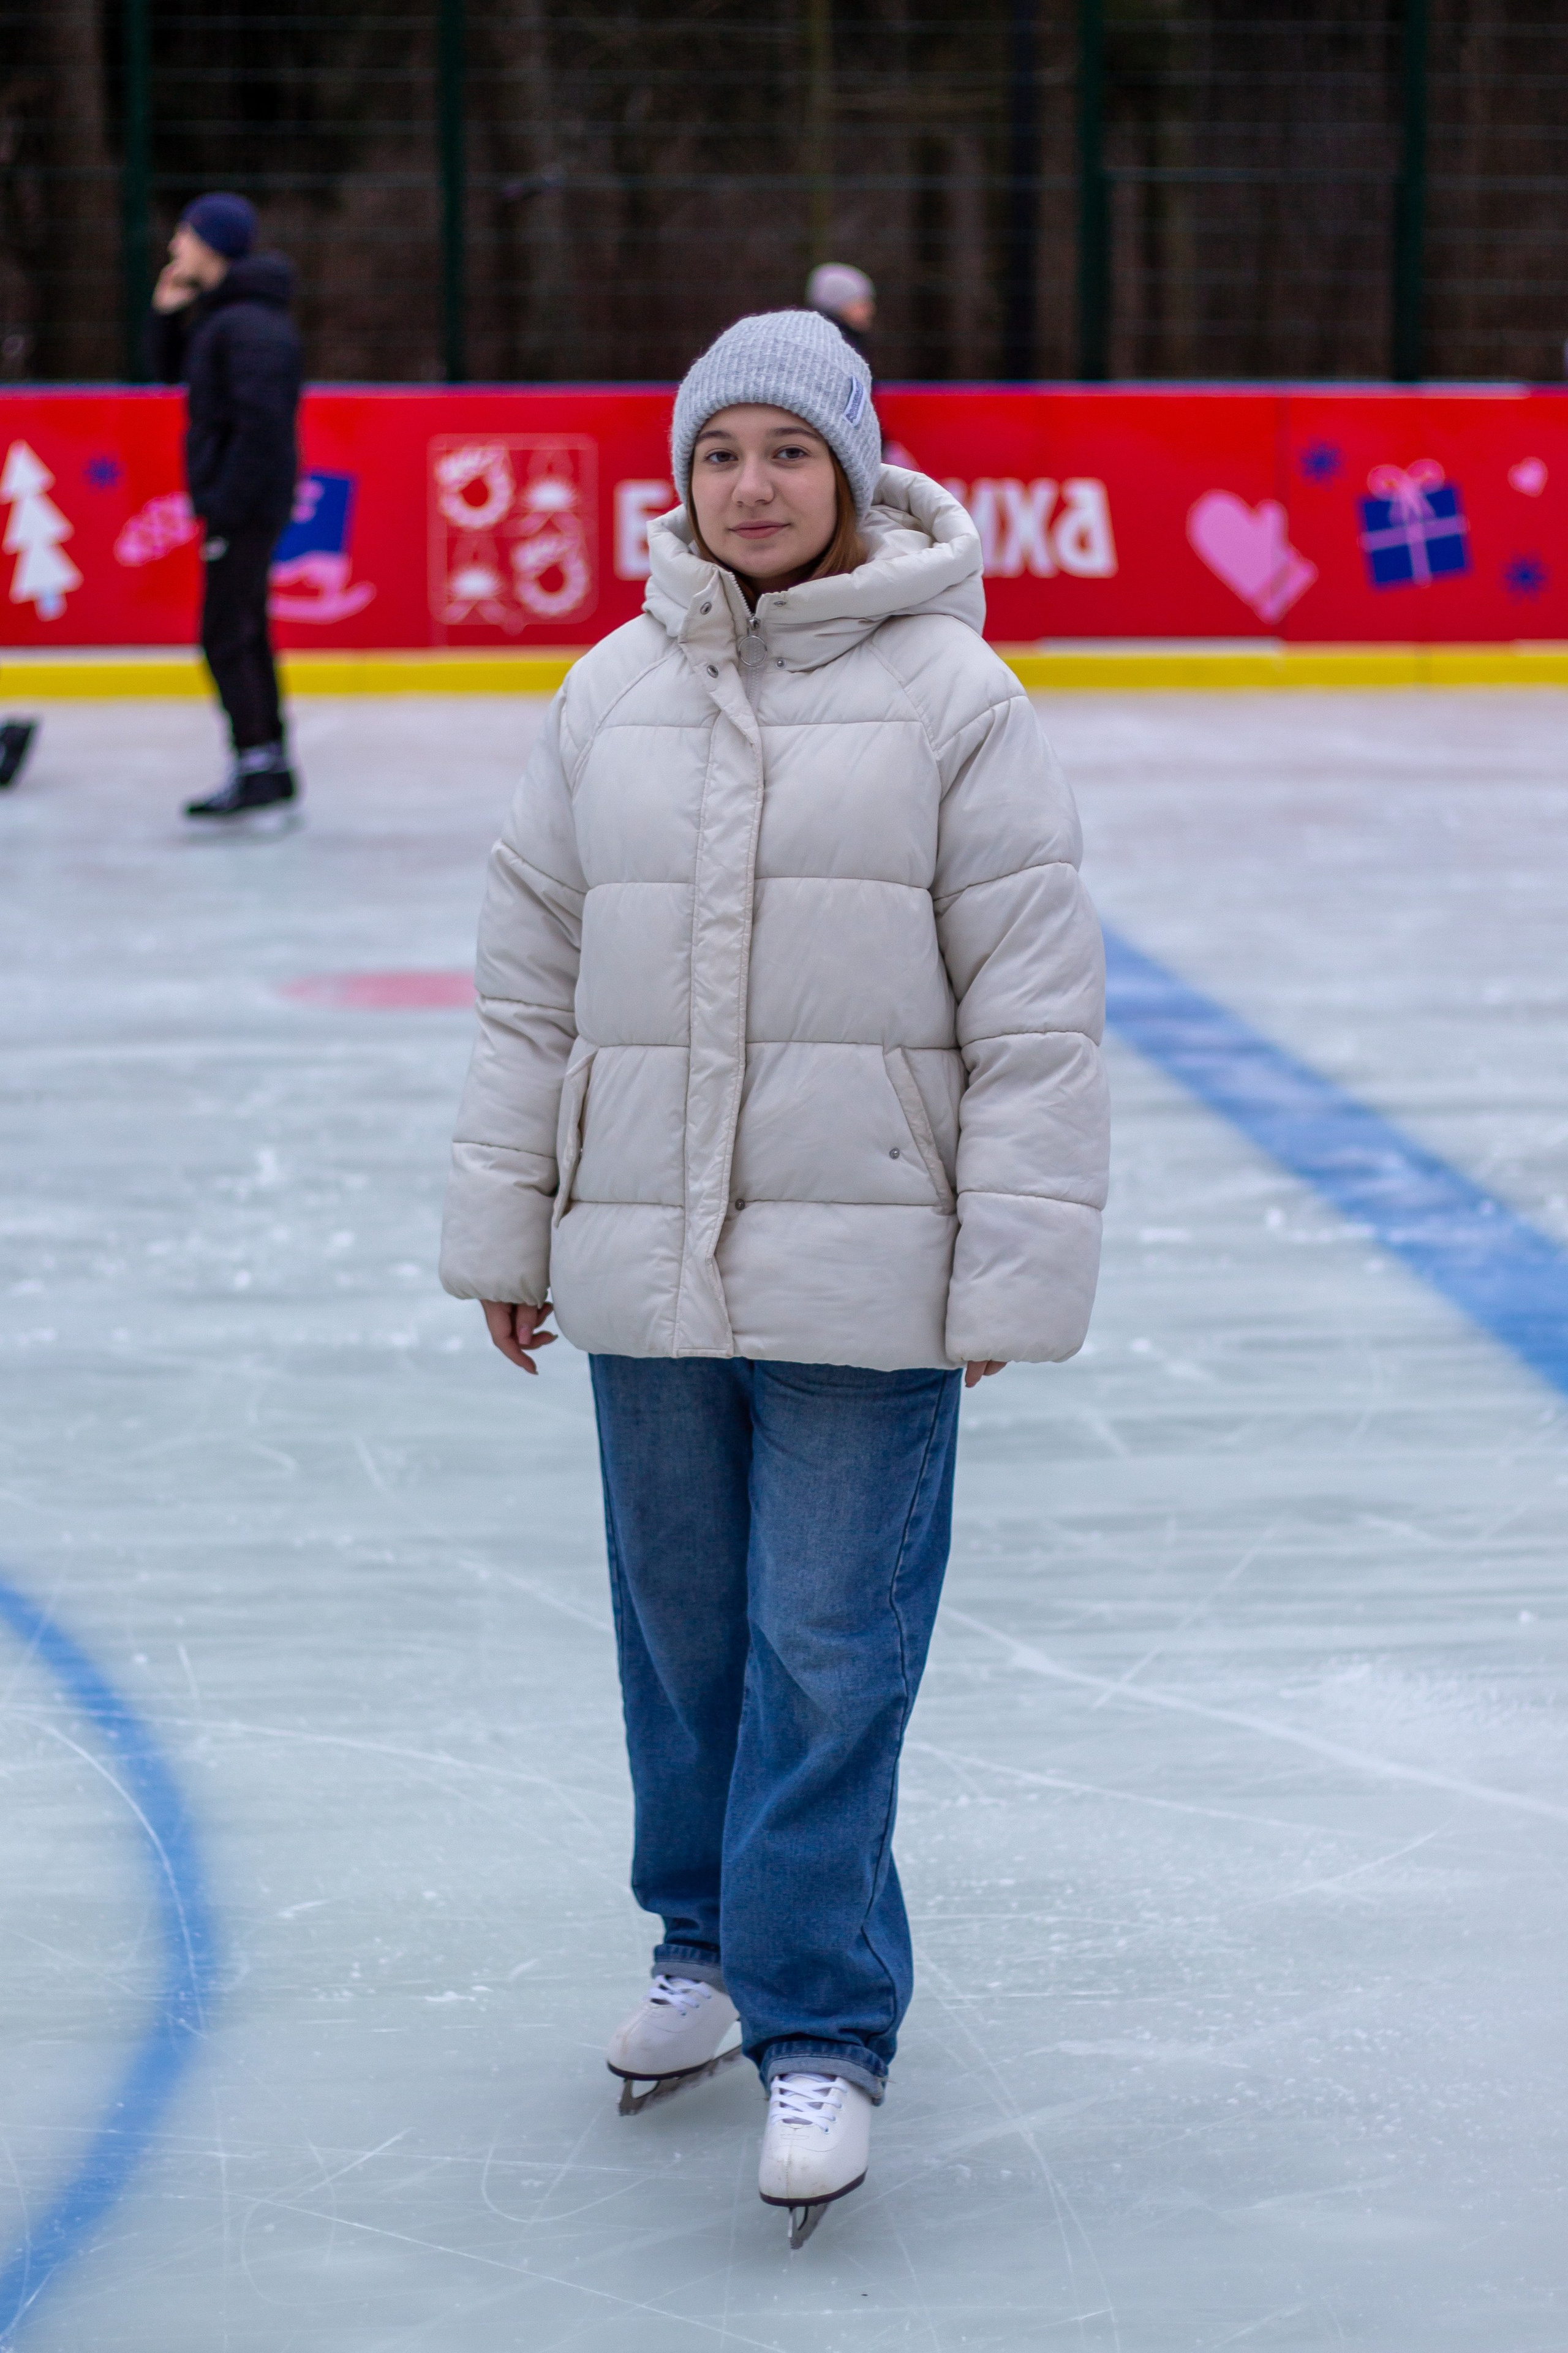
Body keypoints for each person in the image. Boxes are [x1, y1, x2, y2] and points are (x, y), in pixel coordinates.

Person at [439, 309, 1108, 2248]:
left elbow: (1039, 1019)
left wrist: (1007, 1269)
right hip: (641, 1261)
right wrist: (508, 1227)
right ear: (680, 477)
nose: (748, 485)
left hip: (863, 1267)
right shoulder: (603, 697)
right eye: (718, 452)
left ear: (850, 473)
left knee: (828, 1645)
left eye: (785, 453)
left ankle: (821, 2016)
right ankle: (700, 1941)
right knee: (682, 1636)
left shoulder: (959, 698)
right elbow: (528, 990)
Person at [146, 193, 303, 821]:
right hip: (242, 503)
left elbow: (261, 427)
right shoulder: (228, 317)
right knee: (243, 629)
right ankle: (269, 762)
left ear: (210, 244)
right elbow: (170, 378)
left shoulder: (248, 325)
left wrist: (226, 506)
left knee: (224, 634)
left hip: (245, 506)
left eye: (183, 235)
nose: (173, 247)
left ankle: (259, 762)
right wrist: (166, 315)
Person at [806, 261, 875, 358]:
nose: (870, 310)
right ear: (839, 304)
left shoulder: (849, 339)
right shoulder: (837, 349)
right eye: (862, 304)